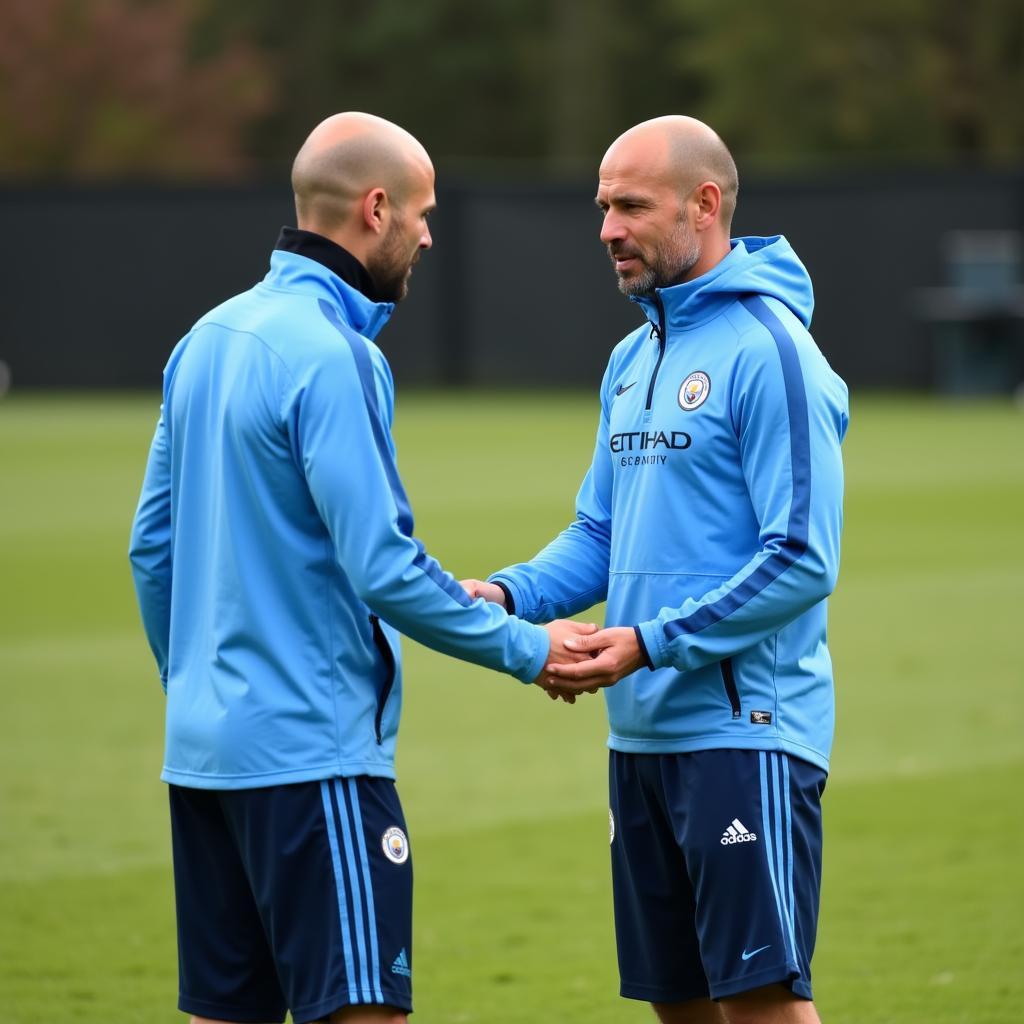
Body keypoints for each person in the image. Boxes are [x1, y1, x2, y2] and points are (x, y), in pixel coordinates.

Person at [128, 112, 593, 1024]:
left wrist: (194, 686)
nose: (428, 233)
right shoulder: (336, 357)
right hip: (313, 762)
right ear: (374, 210)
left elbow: (153, 546)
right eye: (420, 212)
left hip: (205, 759)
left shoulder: (208, 338)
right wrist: (526, 648)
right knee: (361, 1011)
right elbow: (382, 565)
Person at [462, 115, 848, 1024]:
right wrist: (506, 594)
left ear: (704, 204)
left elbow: (800, 558)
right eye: (602, 206)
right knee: (678, 1006)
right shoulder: (633, 359)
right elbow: (600, 534)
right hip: (640, 741)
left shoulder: (773, 352)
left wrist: (649, 642)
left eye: (630, 205)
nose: (607, 228)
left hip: (743, 733)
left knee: (760, 1007)